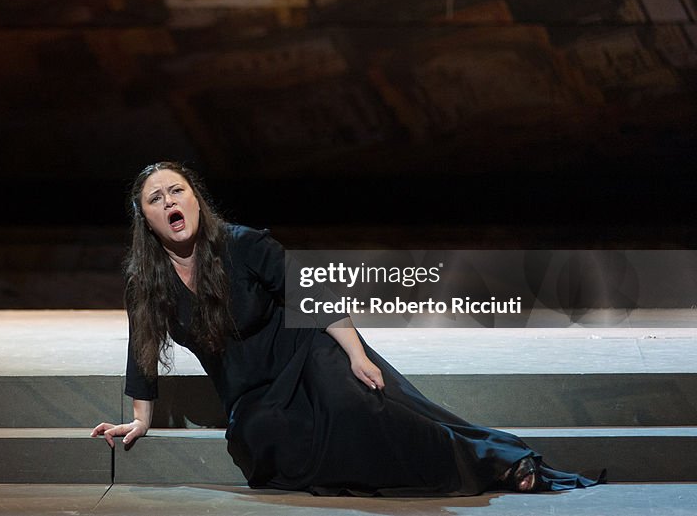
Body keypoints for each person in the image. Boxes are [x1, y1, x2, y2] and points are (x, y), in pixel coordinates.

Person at [91, 161, 604, 496]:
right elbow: (144, 346)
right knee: (264, 438)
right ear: (146, 218)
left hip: (304, 352)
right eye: (156, 198)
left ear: (195, 198)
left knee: (350, 403)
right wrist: (141, 418)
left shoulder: (244, 245)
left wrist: (358, 356)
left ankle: (488, 462)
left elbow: (315, 297)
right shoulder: (147, 283)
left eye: (176, 190)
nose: (169, 201)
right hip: (250, 391)